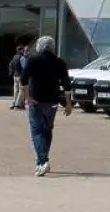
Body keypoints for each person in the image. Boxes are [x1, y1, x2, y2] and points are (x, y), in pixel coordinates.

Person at [19, 36, 73, 177]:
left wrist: (27, 97)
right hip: (53, 101)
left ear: (39, 46)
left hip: (36, 100)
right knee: (47, 130)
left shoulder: (32, 59)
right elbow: (66, 83)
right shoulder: (59, 62)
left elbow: (23, 79)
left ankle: (43, 161)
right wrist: (68, 104)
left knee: (37, 131)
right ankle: (40, 162)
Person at [8, 45, 27, 110]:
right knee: (21, 90)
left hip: (15, 75)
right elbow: (24, 67)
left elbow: (11, 65)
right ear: (20, 50)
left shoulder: (14, 57)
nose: (23, 51)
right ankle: (17, 104)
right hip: (20, 75)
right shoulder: (22, 58)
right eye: (22, 50)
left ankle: (14, 103)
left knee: (16, 90)